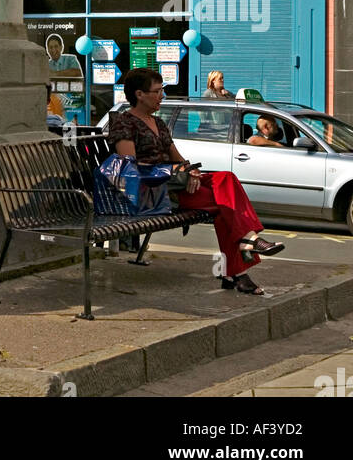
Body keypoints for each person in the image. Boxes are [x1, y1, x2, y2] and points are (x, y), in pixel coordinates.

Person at [109, 67, 285, 295]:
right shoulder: (124, 123)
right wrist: (175, 171)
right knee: (224, 206)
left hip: (175, 183)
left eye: (162, 90)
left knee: (226, 179)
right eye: (157, 91)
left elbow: (179, 159)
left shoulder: (159, 123)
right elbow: (130, 168)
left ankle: (245, 248)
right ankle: (240, 266)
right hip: (154, 192)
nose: (162, 95)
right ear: (139, 94)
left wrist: (189, 171)